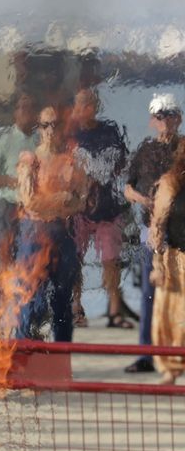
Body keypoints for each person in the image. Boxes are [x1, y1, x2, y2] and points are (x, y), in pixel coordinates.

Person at [14, 107, 89, 342]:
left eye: (54, 125)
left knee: (62, 298)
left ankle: (62, 355)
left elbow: (81, 202)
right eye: (45, 125)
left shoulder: (71, 161)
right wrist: (62, 199)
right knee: (28, 296)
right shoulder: (30, 159)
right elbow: (29, 201)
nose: (50, 130)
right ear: (39, 128)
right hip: (34, 233)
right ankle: (23, 350)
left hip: (62, 232)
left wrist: (56, 204)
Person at [123, 93, 182, 372]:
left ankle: (177, 353)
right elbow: (127, 187)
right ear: (152, 120)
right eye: (160, 116)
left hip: (181, 233)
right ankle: (147, 354)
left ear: (178, 118)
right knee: (150, 295)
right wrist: (143, 199)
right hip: (153, 233)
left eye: (170, 115)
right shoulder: (145, 151)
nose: (165, 120)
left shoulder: (184, 149)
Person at [70, 87, 134, 328]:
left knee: (110, 260)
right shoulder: (71, 136)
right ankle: (76, 307)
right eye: (80, 104)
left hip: (108, 209)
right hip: (79, 210)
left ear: (95, 107)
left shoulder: (110, 131)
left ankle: (114, 311)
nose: (84, 108)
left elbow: (123, 163)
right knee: (75, 259)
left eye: (88, 103)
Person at [0, 94, 40, 263]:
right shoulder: (6, 140)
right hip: (10, 207)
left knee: (31, 260)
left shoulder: (41, 139)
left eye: (31, 108)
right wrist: (10, 181)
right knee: (5, 255)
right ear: (15, 112)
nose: (27, 112)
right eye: (23, 107)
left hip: (36, 208)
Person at [148, 139, 185, 385]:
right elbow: (157, 225)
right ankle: (171, 368)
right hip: (175, 259)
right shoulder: (170, 183)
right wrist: (157, 263)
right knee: (169, 317)